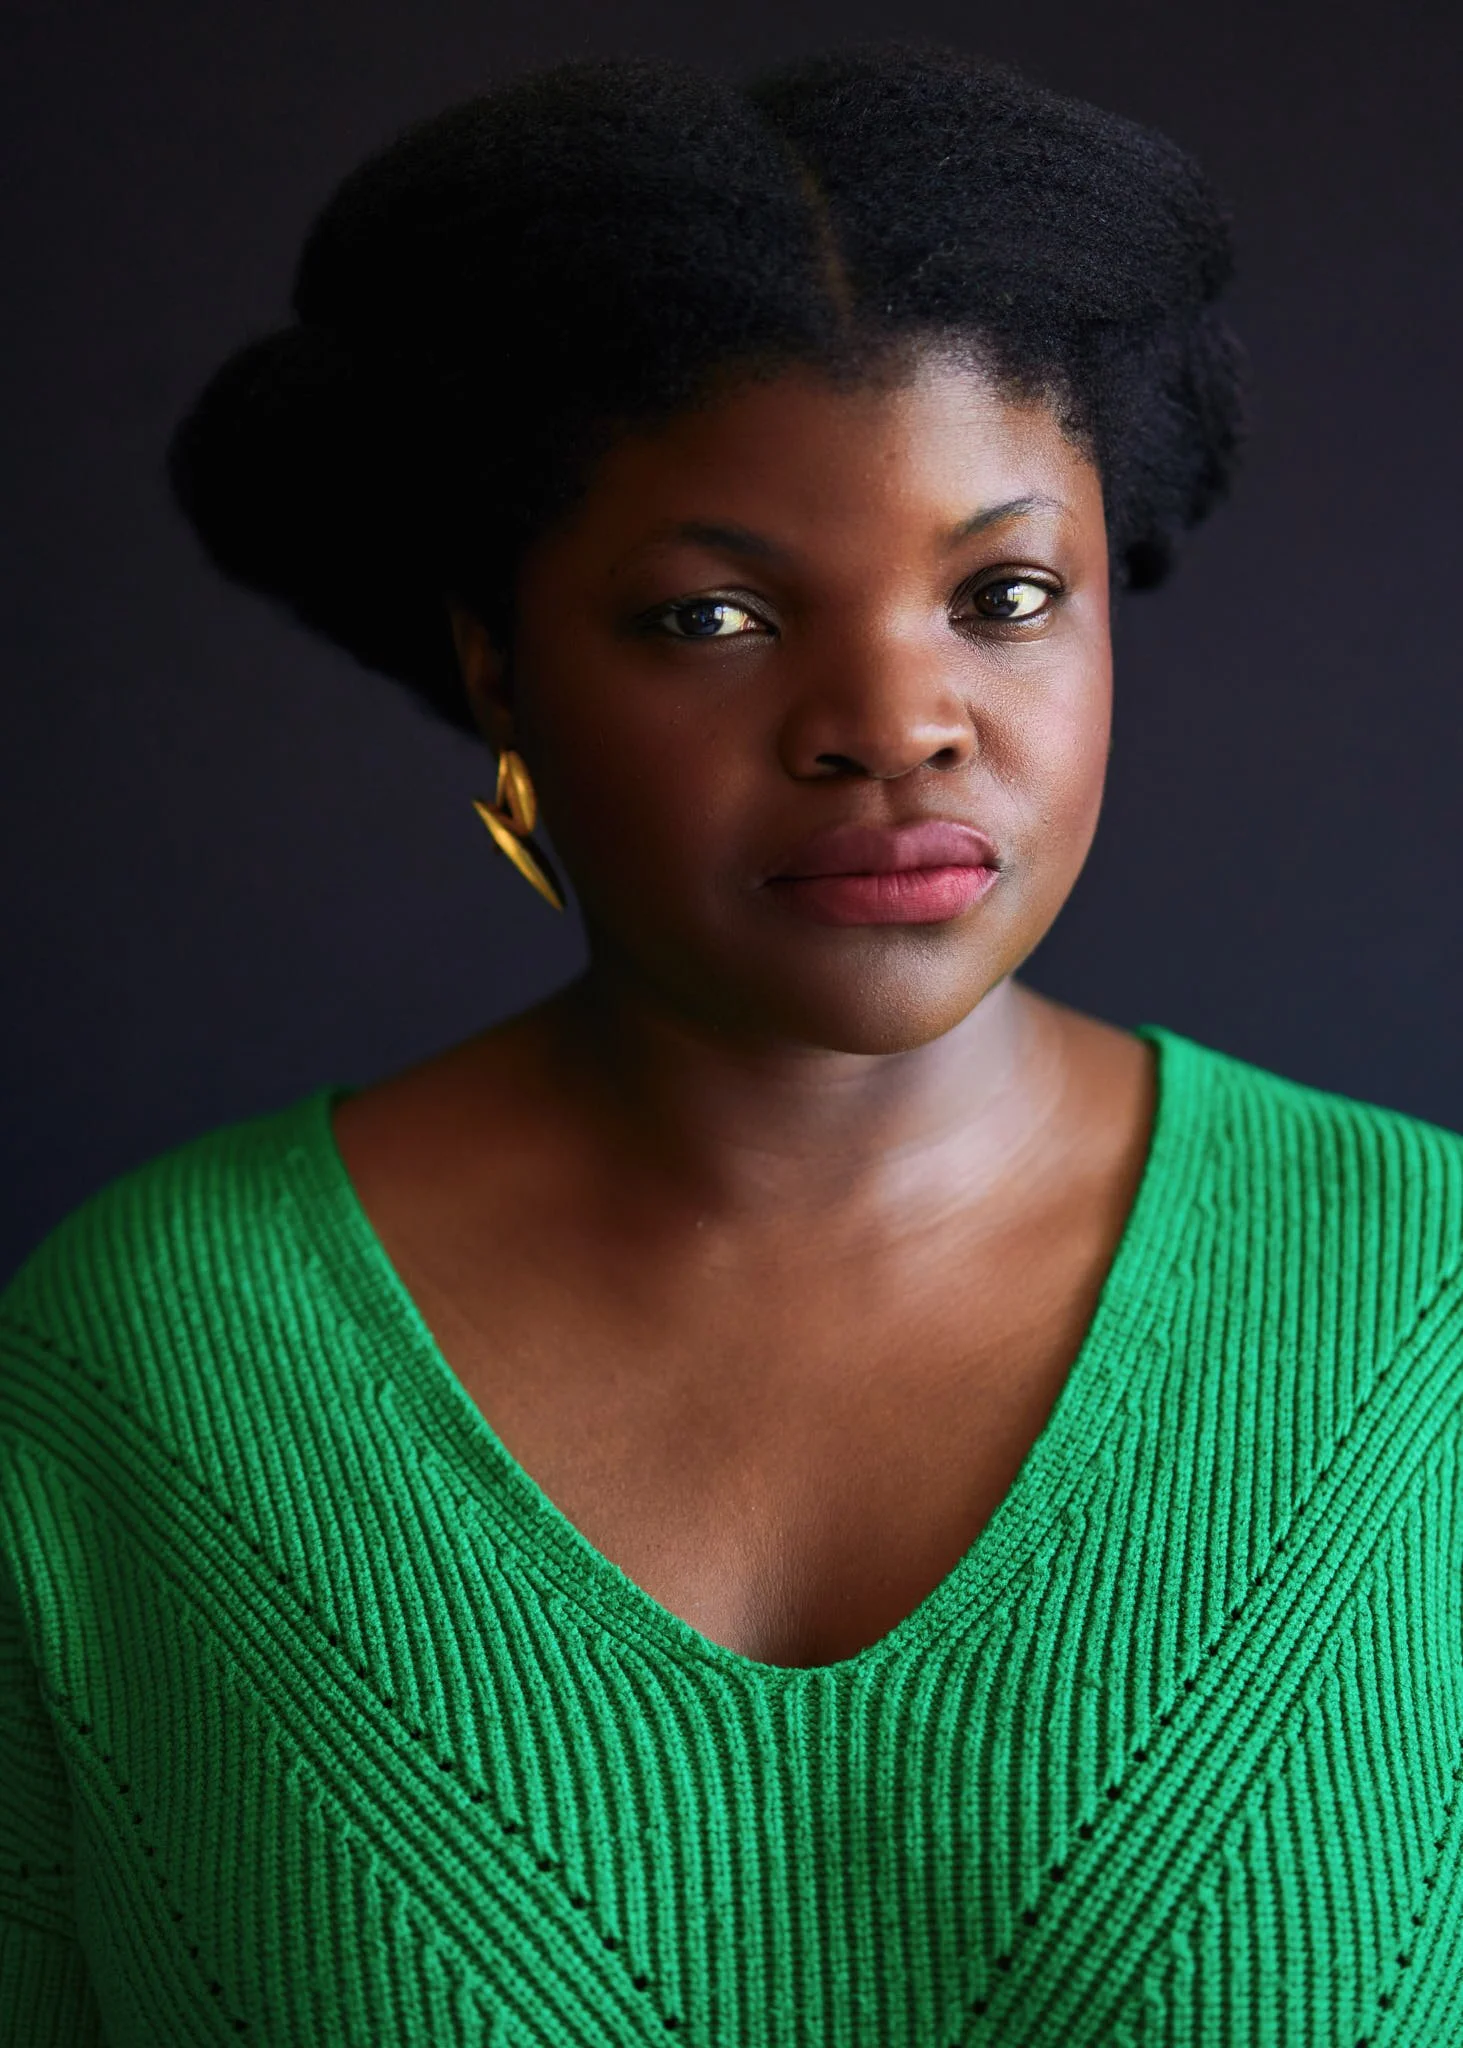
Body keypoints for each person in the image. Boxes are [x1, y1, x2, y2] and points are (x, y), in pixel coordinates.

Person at [3, 38, 1460, 2048]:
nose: (891, 718)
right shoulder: (142, 1368)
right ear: (494, 657)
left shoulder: (1424, 1309)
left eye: (1003, 591)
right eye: (710, 616)